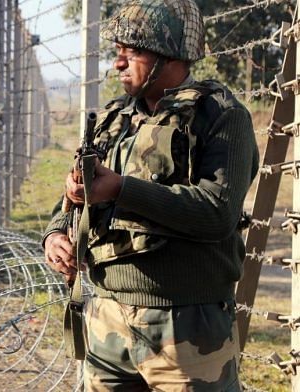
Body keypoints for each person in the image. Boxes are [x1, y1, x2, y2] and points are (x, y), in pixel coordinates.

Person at [42, 0, 259, 390]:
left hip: (188, 329)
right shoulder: (114, 119)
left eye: (134, 51)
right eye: (118, 53)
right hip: (106, 319)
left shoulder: (221, 116)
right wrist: (57, 231)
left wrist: (122, 189)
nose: (118, 64)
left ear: (170, 54)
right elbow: (76, 193)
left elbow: (217, 212)